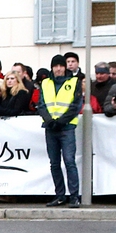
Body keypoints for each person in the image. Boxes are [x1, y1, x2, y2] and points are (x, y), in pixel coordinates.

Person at [36, 54, 82, 207]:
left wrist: (61, 121)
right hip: (51, 128)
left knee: (69, 162)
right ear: (52, 68)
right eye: (56, 66)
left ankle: (74, 196)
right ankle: (60, 195)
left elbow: (75, 106)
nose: (59, 68)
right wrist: (49, 120)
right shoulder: (45, 83)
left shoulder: (74, 82)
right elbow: (41, 104)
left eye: (61, 65)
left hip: (67, 127)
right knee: (54, 163)